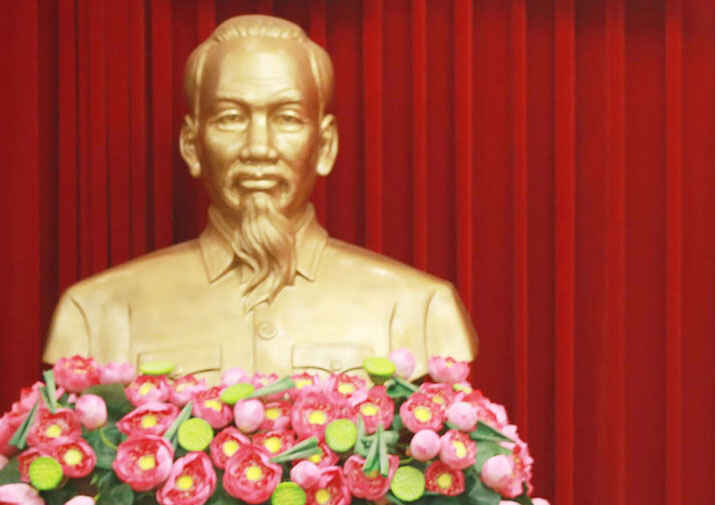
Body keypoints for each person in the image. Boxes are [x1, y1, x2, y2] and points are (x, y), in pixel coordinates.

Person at [43, 15, 475, 376]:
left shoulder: (419, 312)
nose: (259, 149)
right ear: (192, 145)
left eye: (287, 118)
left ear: (324, 145)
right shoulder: (97, 316)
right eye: (230, 118)